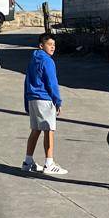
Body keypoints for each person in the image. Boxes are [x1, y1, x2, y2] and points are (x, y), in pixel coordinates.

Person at [23, 33, 65, 176]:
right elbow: (52, 83)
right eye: (49, 44)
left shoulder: (32, 59)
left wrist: (26, 101)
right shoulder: (47, 61)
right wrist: (57, 101)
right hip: (44, 99)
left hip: (33, 99)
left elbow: (26, 80)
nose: (52, 47)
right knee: (49, 130)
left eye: (54, 45)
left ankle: (28, 162)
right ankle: (49, 163)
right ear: (41, 46)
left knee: (36, 129)